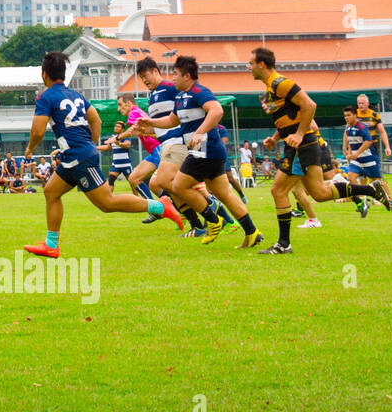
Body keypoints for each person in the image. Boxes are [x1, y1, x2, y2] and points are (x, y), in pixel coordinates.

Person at [24, 53, 181, 259]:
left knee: (107, 203)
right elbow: (95, 120)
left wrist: (29, 150)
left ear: (44, 75)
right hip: (73, 156)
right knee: (51, 192)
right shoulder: (76, 95)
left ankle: (160, 206)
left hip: (78, 157)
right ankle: (51, 244)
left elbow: (37, 131)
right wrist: (91, 142)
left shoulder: (46, 97)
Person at [249, 48, 392, 255]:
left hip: (301, 145)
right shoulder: (271, 89)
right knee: (319, 193)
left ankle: (283, 244)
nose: (249, 67)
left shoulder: (281, 83)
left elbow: (310, 105)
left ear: (262, 64)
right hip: (302, 144)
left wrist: (299, 134)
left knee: (278, 190)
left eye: (251, 63)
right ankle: (371, 190)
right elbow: (288, 118)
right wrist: (274, 138)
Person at [132, 56, 264, 249]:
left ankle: (212, 220)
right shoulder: (181, 97)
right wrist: (150, 123)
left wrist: (200, 131)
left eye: (176, 74)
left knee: (177, 185)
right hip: (205, 151)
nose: (173, 78)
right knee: (224, 194)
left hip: (205, 149)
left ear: (187, 76)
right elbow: (171, 121)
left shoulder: (198, 91)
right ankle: (252, 232)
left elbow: (217, 110)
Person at [99, 123, 135, 192]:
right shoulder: (113, 138)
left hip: (126, 165)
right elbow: (108, 147)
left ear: (122, 129)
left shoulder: (125, 136)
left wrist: (118, 143)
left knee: (132, 182)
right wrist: (95, 147)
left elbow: (127, 145)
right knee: (111, 180)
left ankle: (136, 196)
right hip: (116, 165)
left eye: (118, 127)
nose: (115, 128)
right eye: (115, 126)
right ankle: (109, 199)